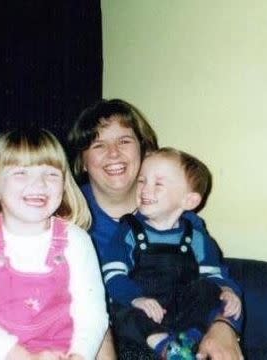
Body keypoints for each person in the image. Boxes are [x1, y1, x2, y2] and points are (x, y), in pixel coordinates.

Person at [68, 99, 244, 360]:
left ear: (144, 151)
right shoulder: (65, 219)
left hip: (180, 329)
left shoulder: (184, 222)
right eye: (98, 144)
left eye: (124, 141)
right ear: (82, 161)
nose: (113, 153)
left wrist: (224, 325)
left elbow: (214, 276)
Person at [0, 128, 108, 359]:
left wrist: (80, 355)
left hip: (62, 352)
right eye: (21, 173)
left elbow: (92, 314)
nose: (39, 184)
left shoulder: (77, 241)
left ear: (64, 185)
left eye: (51, 174)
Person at [101, 148, 242, 359]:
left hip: (181, 314)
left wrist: (228, 291)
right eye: (141, 181)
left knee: (207, 289)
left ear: (189, 201)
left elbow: (214, 275)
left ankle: (189, 340)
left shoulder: (196, 238)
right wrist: (136, 298)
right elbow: (112, 274)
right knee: (119, 310)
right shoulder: (128, 231)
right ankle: (164, 346)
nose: (145, 189)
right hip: (141, 310)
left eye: (158, 184)